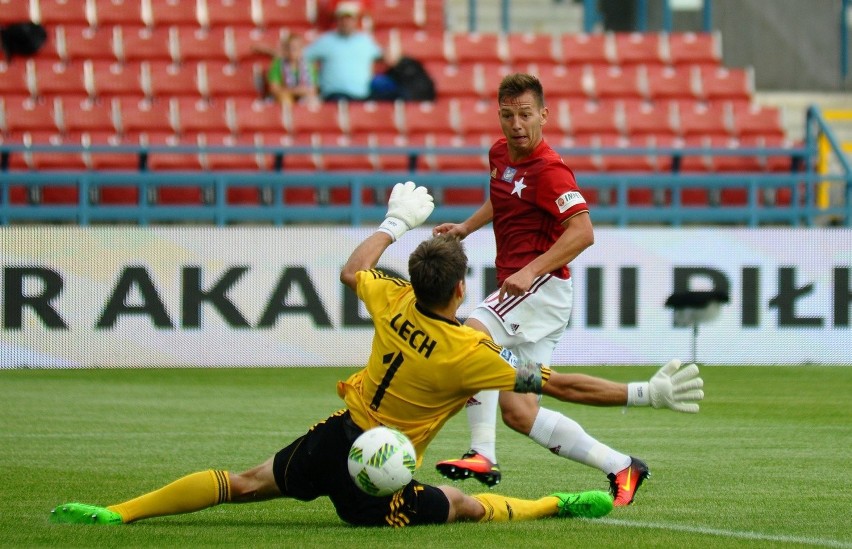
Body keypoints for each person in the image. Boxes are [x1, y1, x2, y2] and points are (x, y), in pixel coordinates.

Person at [49, 182, 703, 528]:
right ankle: (555, 505)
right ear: (459, 288)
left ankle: (119, 511)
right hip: (378, 475)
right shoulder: (468, 351)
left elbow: (351, 269)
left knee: (241, 483)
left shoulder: (390, 297)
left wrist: (393, 223)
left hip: (338, 436)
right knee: (468, 507)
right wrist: (645, 391)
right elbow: (558, 385)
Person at [432, 73, 668, 506]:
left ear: (544, 114)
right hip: (534, 294)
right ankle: (621, 466)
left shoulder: (551, 170)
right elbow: (501, 196)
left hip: (540, 286)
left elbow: (583, 232)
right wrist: (466, 227)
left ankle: (482, 453)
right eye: (508, 115)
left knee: (470, 336)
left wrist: (530, 271)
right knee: (520, 413)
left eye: (525, 114)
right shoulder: (499, 153)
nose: (517, 124)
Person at [303, 1, 397, 102]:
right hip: (335, 94)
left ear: (356, 20)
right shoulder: (326, 40)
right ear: (337, 20)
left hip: (362, 95)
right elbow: (303, 57)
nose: (346, 22)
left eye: (349, 18)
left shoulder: (364, 41)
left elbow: (387, 57)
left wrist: (392, 48)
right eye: (342, 18)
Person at [260, 33, 318, 106]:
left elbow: (313, 89)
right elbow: (274, 89)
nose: (292, 51)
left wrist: (300, 92)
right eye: (289, 48)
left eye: (296, 48)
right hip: (284, 98)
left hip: (303, 98)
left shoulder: (309, 65)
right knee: (285, 99)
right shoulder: (278, 64)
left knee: (313, 101)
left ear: (301, 49)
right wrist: (296, 91)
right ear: (285, 50)